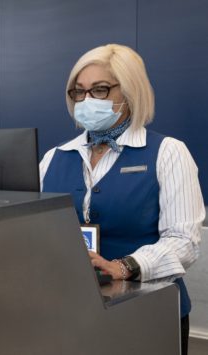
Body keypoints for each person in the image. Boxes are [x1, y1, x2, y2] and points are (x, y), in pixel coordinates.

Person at [39, 44, 204, 355]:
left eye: (100, 90)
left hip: (148, 314)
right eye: (79, 92)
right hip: (72, 313)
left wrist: (125, 266)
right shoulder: (54, 158)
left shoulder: (168, 152)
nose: (86, 101)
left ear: (130, 92)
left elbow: (184, 241)